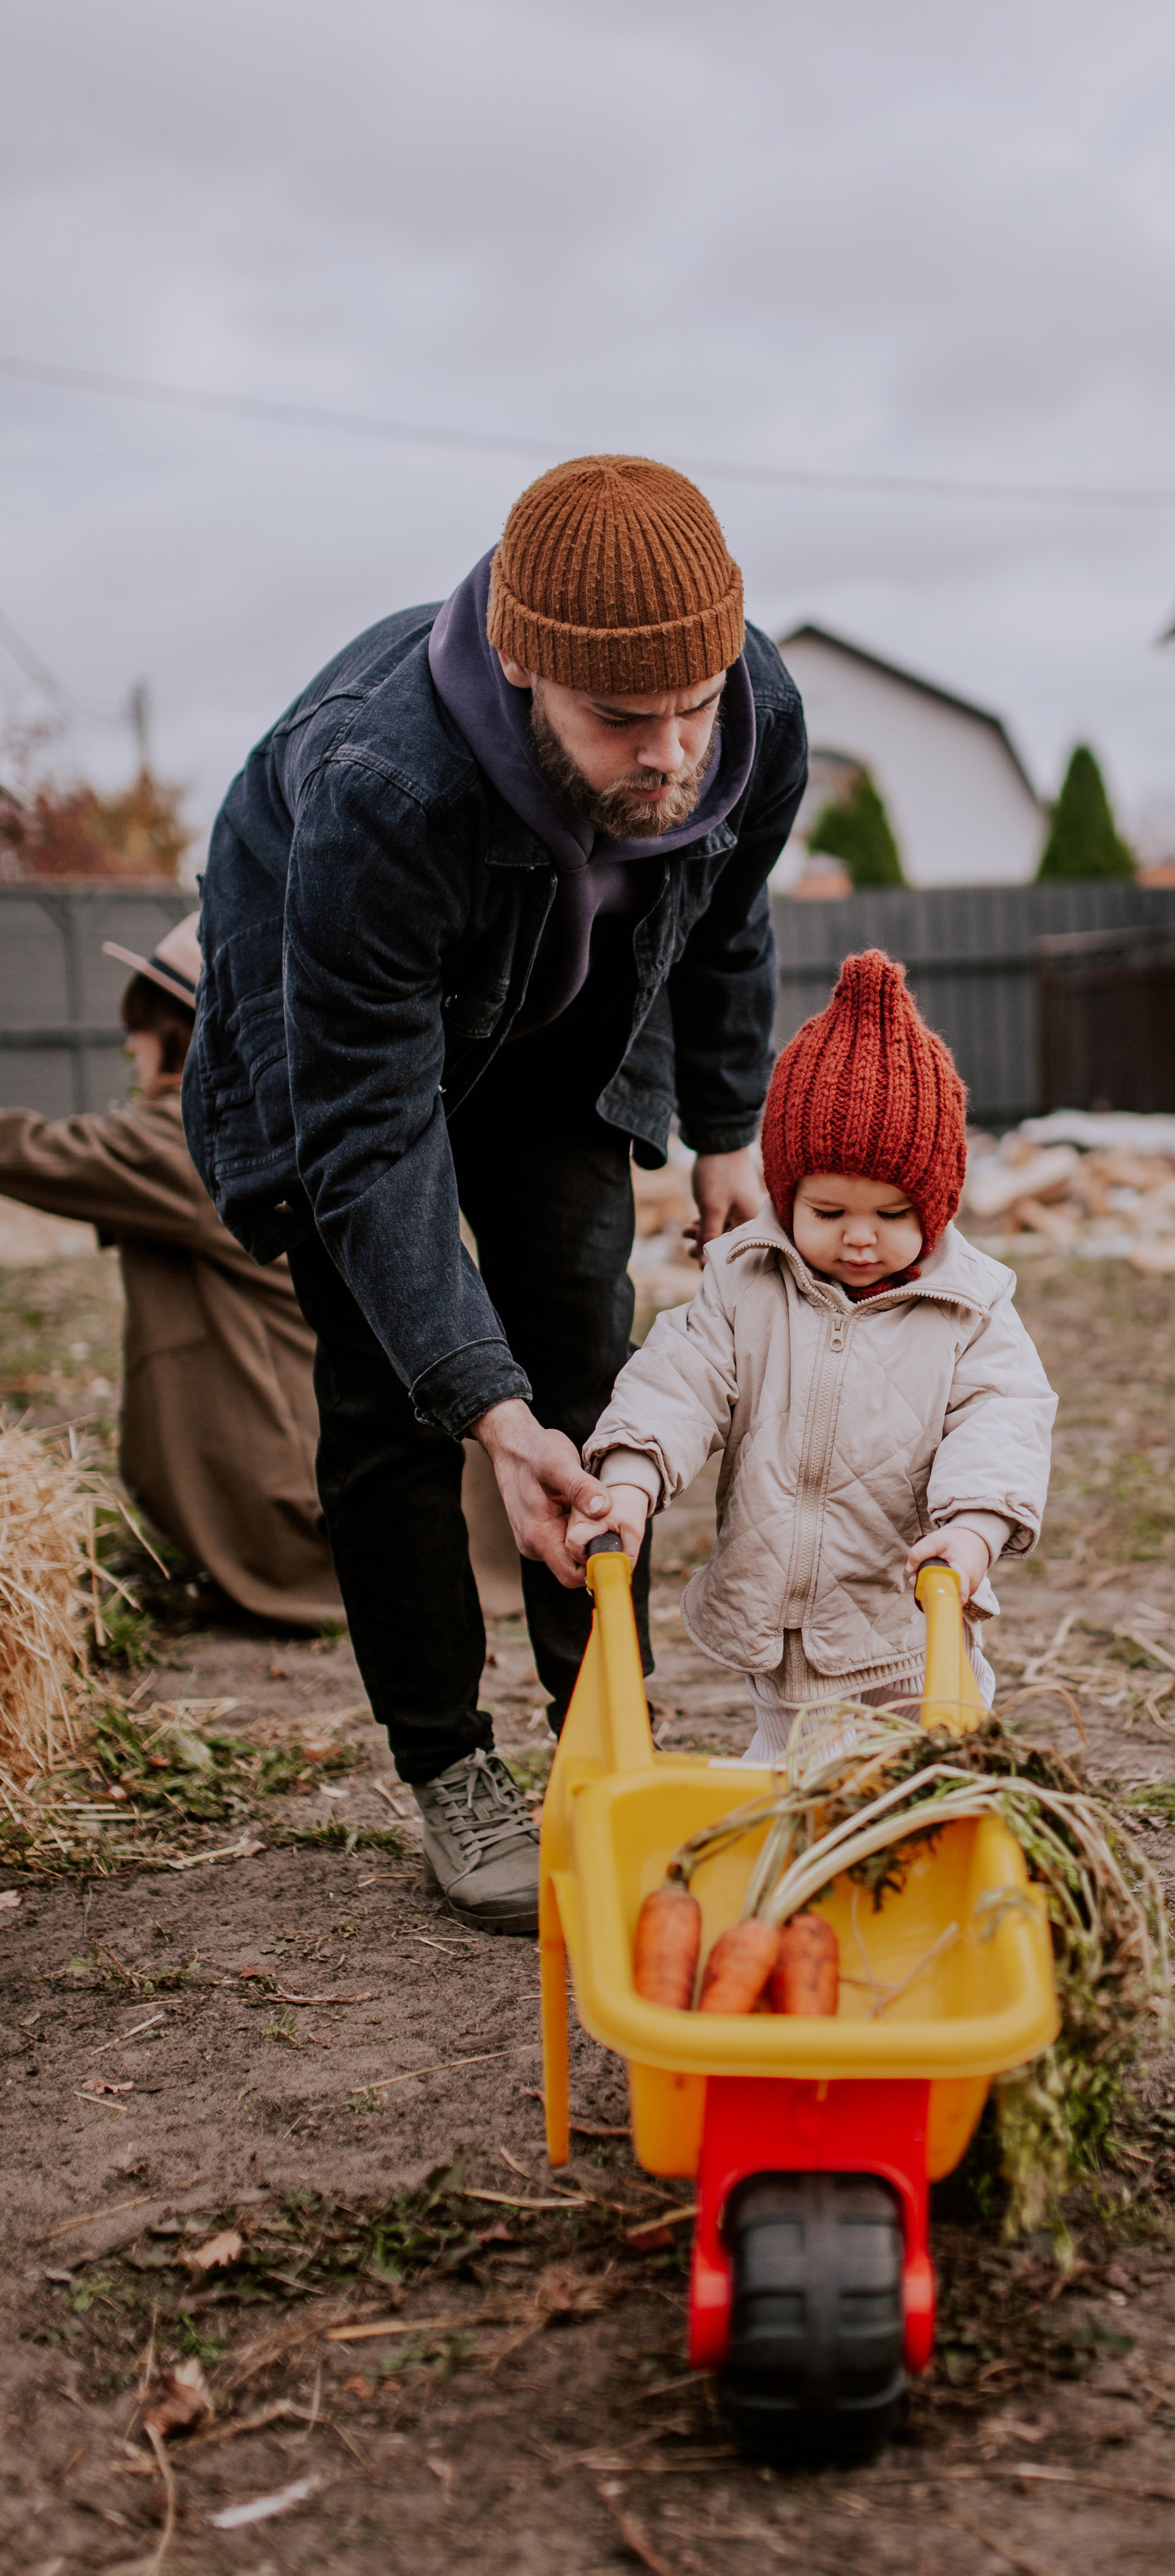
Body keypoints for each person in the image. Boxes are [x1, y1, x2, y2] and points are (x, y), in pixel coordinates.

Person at [185, 456, 808, 1930]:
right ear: (528, 666)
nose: (670, 757)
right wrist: (478, 1402)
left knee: (586, 1364)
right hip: (343, 1015)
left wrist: (728, 1126)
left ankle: (603, 1727)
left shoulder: (752, 710)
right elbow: (369, 1134)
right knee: (396, 1392)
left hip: (559, 1033)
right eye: (620, 722)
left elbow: (728, 919)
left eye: (694, 707)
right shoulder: (379, 784)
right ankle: (449, 1765)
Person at [583, 952, 1056, 1763]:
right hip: (784, 1632)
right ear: (786, 1192)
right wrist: (630, 1475)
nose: (860, 1236)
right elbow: (680, 1379)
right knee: (790, 1807)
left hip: (916, 1626)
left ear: (936, 1205)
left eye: (892, 1213)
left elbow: (1003, 1420)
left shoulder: (970, 1307)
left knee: (920, 1797)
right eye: (829, 1210)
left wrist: (974, 1530)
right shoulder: (745, 1280)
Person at [0, 914, 344, 1624]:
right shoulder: (277, 1122)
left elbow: (35, 1154)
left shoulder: (200, 1139)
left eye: (141, 1023)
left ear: (182, 1031)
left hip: (293, 1517)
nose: (128, 1046)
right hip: (323, 1481)